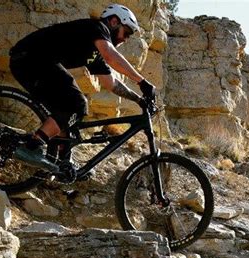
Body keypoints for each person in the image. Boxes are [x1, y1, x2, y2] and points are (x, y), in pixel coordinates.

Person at [8, 4, 156, 170]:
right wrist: (142, 82)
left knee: (67, 109)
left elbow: (110, 83)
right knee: (78, 104)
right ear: (114, 21)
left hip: (34, 62)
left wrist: (138, 99)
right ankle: (31, 146)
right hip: (30, 59)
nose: (125, 39)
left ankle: (61, 162)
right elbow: (111, 56)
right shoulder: (97, 27)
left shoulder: (95, 54)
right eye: (126, 32)